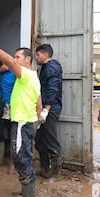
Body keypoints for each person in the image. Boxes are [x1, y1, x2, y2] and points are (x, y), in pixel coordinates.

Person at [0, 27, 41, 197]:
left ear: (27, 60)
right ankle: (26, 191)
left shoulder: (25, 74)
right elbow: (39, 99)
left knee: (21, 158)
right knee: (23, 156)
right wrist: (38, 118)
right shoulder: (32, 77)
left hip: (23, 122)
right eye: (14, 57)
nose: (15, 60)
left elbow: (11, 65)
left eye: (18, 57)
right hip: (26, 121)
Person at [34, 44, 63, 179]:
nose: (36, 57)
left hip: (50, 109)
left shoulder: (51, 68)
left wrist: (46, 109)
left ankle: (55, 172)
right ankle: (45, 169)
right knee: (39, 140)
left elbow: (52, 89)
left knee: (50, 140)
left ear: (45, 54)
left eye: (38, 55)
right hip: (44, 108)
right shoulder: (45, 68)